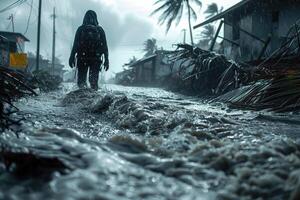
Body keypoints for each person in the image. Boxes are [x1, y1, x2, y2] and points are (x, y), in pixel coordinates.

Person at [69, 10, 109, 90]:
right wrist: (106, 60)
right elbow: (105, 46)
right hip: (96, 59)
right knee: (93, 83)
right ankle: (94, 99)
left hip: (82, 58)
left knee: (81, 82)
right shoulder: (100, 30)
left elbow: (75, 45)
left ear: (84, 18)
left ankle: (82, 99)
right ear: (96, 18)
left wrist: (72, 57)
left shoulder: (80, 29)